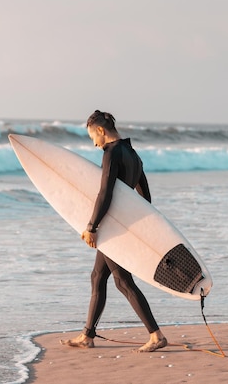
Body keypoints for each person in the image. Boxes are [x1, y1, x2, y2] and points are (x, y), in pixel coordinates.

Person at [60, 110, 167, 353]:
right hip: (122, 224)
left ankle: (156, 335)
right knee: (98, 276)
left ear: (100, 130)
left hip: (111, 226)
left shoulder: (111, 153)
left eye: (92, 137)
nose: (94, 143)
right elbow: (145, 197)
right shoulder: (132, 154)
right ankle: (87, 335)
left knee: (122, 280)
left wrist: (92, 226)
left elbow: (105, 193)